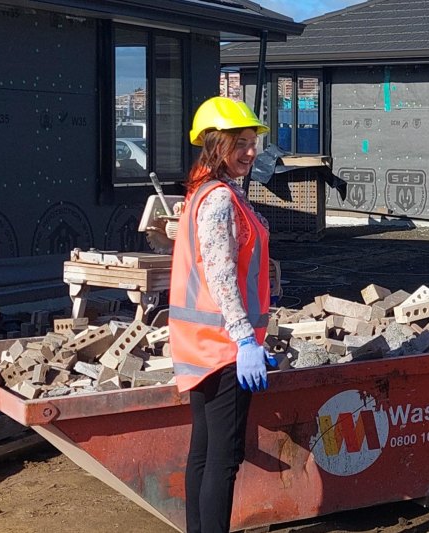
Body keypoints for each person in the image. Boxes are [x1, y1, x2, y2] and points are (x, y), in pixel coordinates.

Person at [168, 96, 277, 532]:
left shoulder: (204, 192)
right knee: (223, 459)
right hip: (224, 347)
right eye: (240, 143)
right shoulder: (218, 200)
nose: (250, 152)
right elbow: (221, 275)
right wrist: (245, 340)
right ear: (216, 145)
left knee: (204, 452)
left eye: (253, 143)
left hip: (201, 343)